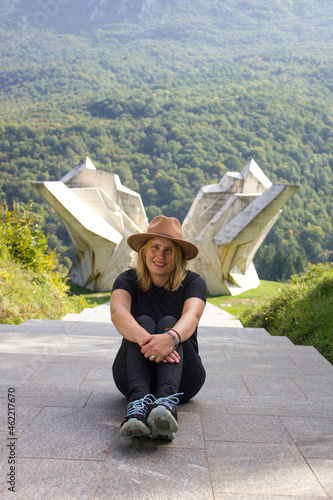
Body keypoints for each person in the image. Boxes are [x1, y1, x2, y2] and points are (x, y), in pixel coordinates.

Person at [110, 215, 207, 440]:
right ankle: (137, 404)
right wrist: (150, 341)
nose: (160, 255)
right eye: (154, 247)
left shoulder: (193, 282)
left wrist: (171, 338)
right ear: (144, 251)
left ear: (179, 255)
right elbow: (118, 313)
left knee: (168, 323)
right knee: (141, 322)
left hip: (183, 380)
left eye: (169, 250)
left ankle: (165, 404)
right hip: (132, 378)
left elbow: (192, 315)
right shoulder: (126, 280)